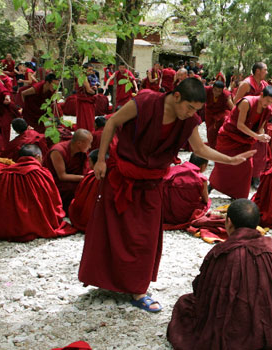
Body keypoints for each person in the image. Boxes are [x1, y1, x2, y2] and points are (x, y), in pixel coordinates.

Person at [78, 78, 255, 312]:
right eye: (189, 108)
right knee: (112, 229)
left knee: (146, 237)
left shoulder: (187, 120)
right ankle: (108, 280)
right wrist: (100, 160)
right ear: (177, 97)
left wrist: (230, 160)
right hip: (121, 175)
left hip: (151, 182)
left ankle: (138, 289)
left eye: (196, 110)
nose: (191, 114)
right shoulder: (145, 102)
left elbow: (200, 149)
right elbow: (112, 124)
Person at [167, 199, 272, 349]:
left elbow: (202, 289)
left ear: (229, 222)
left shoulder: (222, 252)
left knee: (184, 304)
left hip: (233, 325)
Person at [0, 145, 72, 242]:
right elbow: (52, 200)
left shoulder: (2, 174)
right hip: (33, 223)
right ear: (38, 156)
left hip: (3, 223)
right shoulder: (41, 173)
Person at [209, 85, 272, 199]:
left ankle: (239, 196)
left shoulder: (268, 110)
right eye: (267, 100)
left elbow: (260, 127)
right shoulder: (247, 102)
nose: (268, 104)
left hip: (246, 140)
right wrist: (256, 136)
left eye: (271, 102)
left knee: (246, 167)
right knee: (223, 164)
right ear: (261, 95)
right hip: (230, 136)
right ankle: (211, 186)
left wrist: (263, 136)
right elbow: (240, 125)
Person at [43, 129, 91, 214]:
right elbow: (62, 176)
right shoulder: (58, 151)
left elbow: (85, 167)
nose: (90, 146)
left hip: (72, 177)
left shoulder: (81, 152)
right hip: (55, 181)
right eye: (89, 143)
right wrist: (85, 178)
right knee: (73, 188)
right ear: (79, 143)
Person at [162, 153, 210, 227]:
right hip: (186, 216)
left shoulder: (173, 170)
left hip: (165, 214)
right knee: (207, 203)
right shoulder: (201, 178)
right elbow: (205, 200)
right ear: (204, 165)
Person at [69, 149, 101, 232]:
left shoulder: (89, 177)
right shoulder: (112, 177)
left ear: (91, 161)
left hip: (86, 218)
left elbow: (79, 198)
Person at [204, 80, 234, 148]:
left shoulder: (226, 94)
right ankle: (212, 145)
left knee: (215, 128)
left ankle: (220, 144)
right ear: (212, 88)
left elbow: (232, 107)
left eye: (219, 91)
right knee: (209, 129)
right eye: (215, 90)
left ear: (222, 90)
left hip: (221, 113)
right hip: (209, 112)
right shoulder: (207, 89)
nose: (217, 92)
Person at [76, 64, 98, 132]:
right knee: (87, 119)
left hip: (83, 100)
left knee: (82, 119)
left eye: (92, 69)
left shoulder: (83, 77)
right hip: (85, 101)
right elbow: (88, 90)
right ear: (84, 70)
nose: (91, 71)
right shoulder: (83, 77)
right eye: (89, 70)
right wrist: (95, 92)